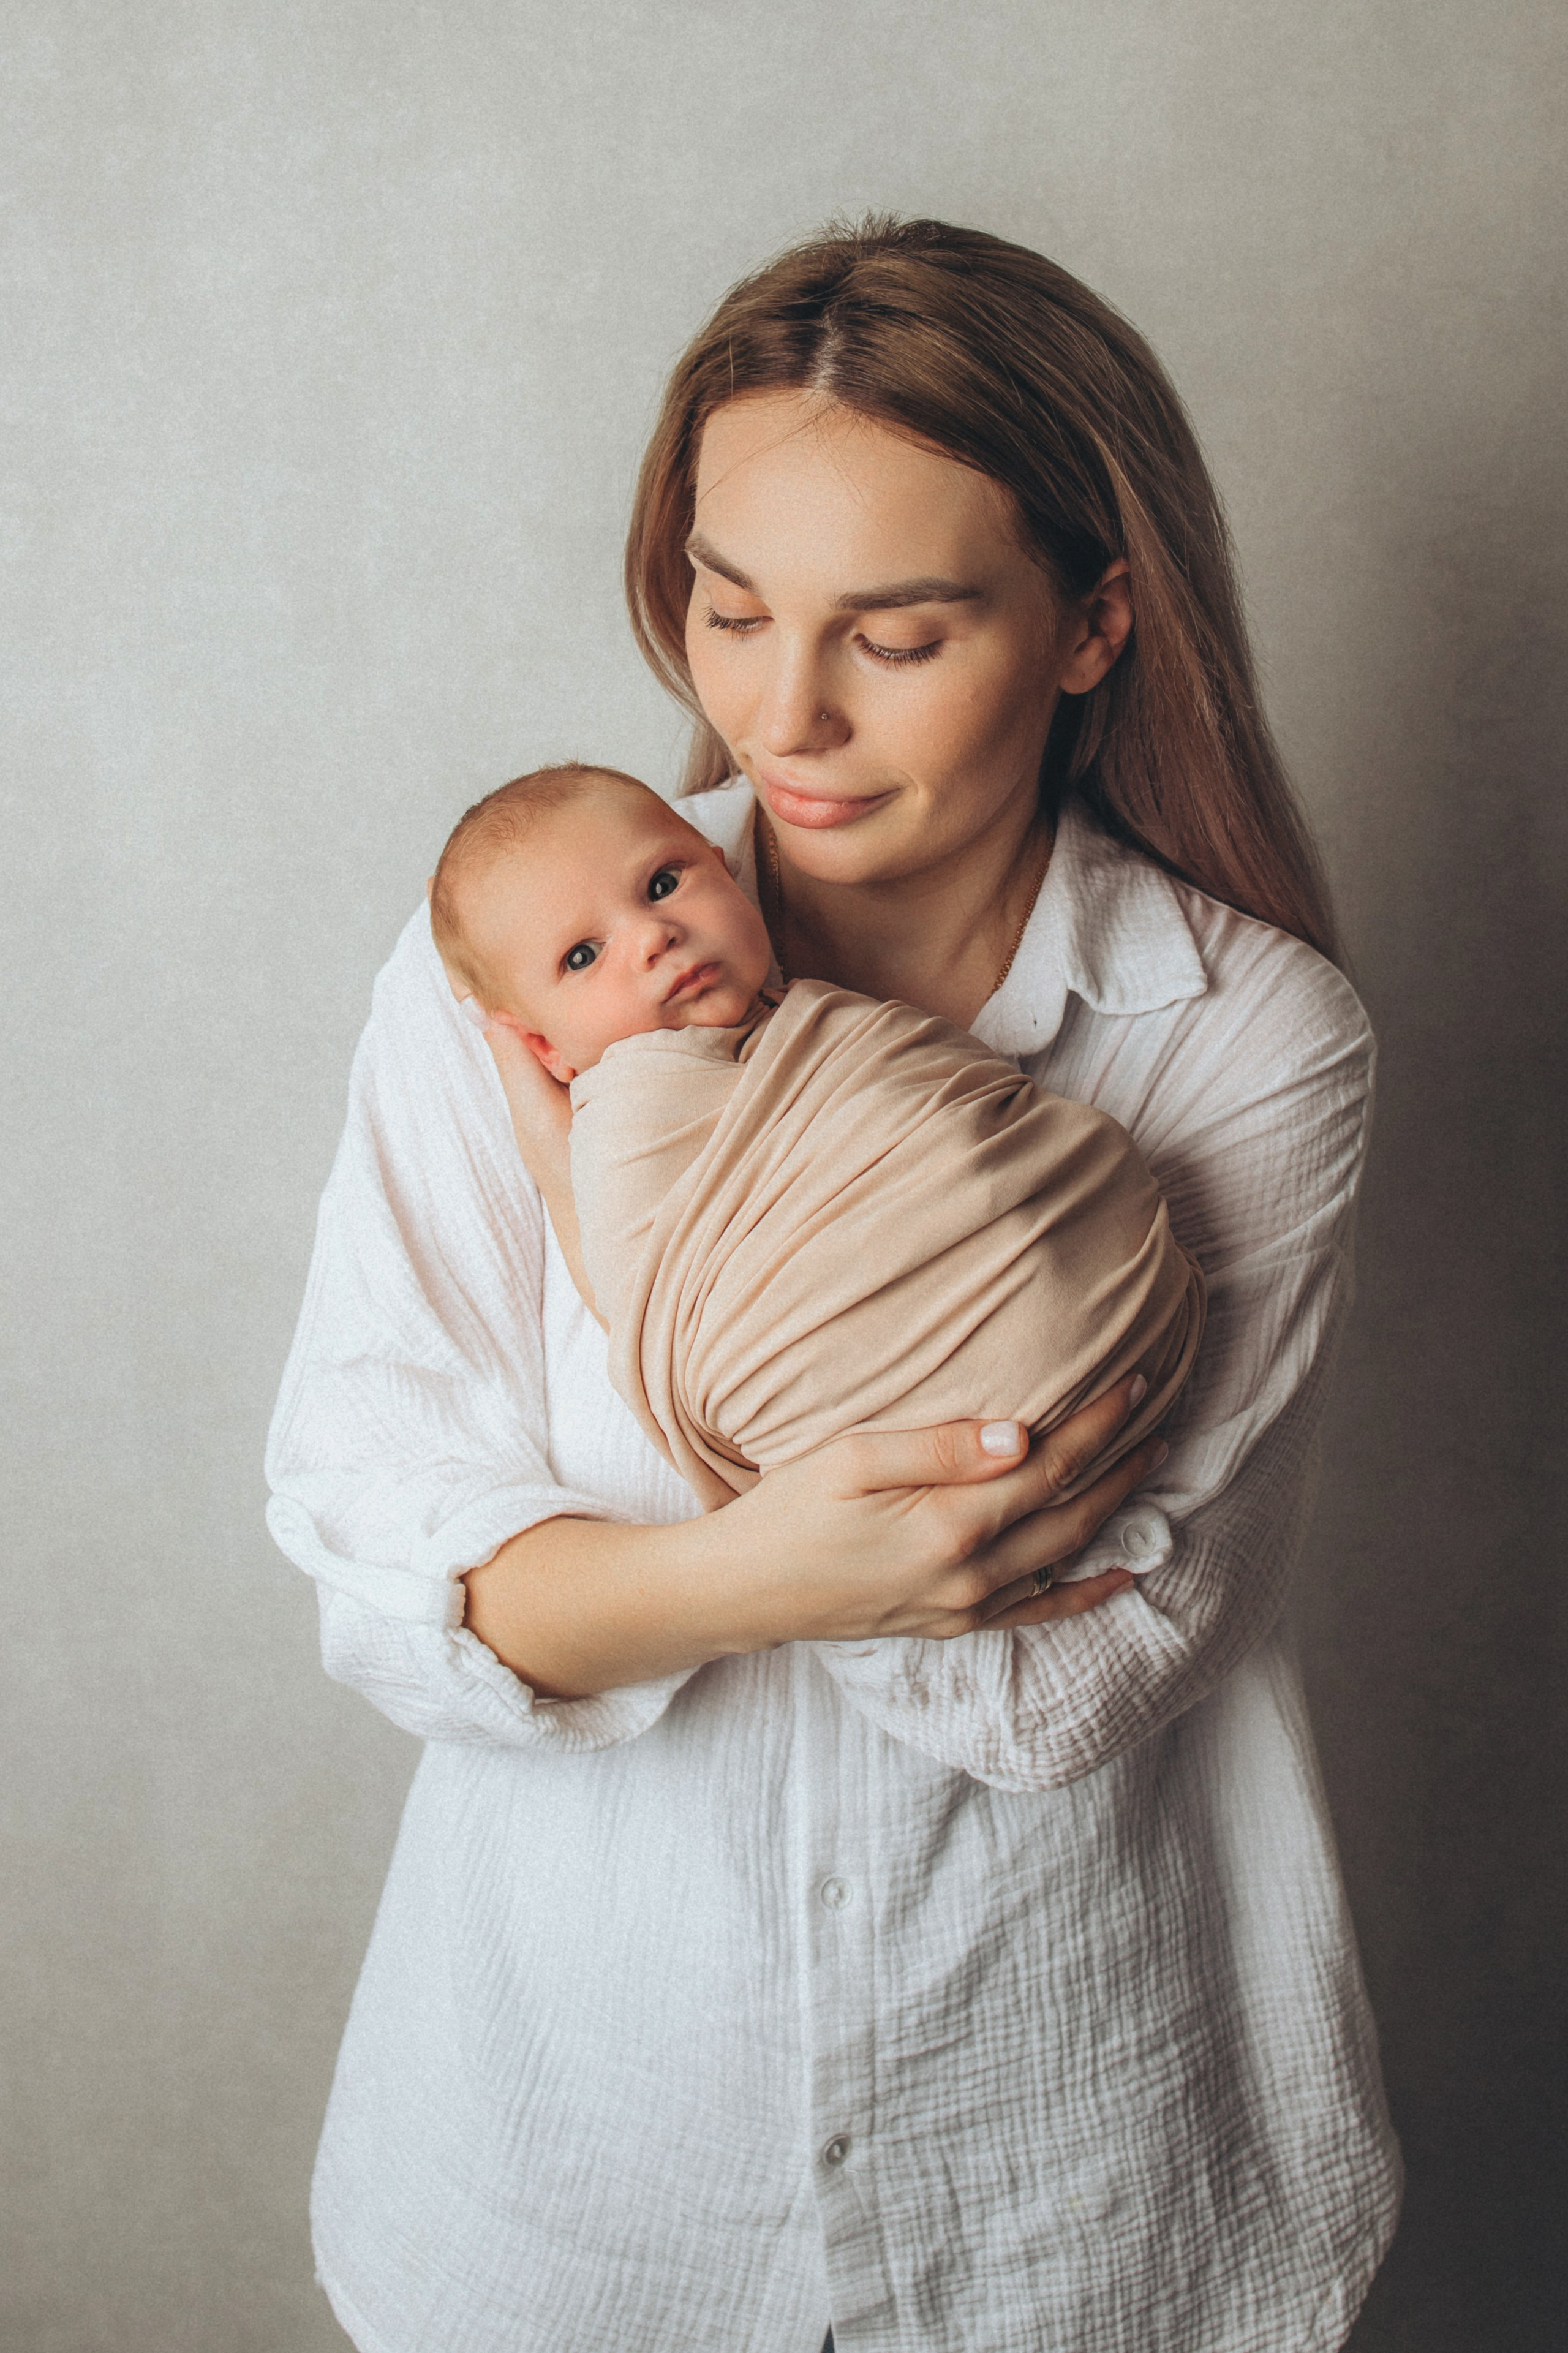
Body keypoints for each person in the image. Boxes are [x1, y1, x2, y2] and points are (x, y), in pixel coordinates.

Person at [266, 217, 1401, 2353]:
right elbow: (384, 1561)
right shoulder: (514, 967)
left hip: (1077, 2195)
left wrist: (645, 1265)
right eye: (729, 609)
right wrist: (765, 1559)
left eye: (895, 632)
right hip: (575, 2171)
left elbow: (1063, 1684)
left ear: (1092, 622)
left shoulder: (1248, 1037)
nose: (779, 715)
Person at [426, 758, 1203, 1516]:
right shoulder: (627, 1126)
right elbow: (650, 1314)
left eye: (662, 884)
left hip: (1094, 1304)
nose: (652, 936)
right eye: (582, 956)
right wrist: (560, 1180)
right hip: (881, 1427)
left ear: (726, 873)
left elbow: (952, 1126)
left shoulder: (820, 1024)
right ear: (545, 1050)